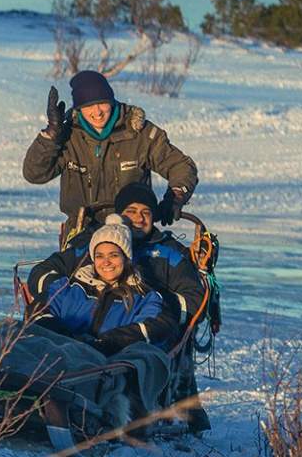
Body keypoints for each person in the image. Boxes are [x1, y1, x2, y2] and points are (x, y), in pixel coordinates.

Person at [25, 185, 212, 433]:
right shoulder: (86, 250)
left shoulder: (169, 255)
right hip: (81, 316)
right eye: (131, 210)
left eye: (146, 211)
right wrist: (67, 288)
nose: (138, 217)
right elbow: (40, 274)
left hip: (132, 327)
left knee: (129, 361)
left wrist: (156, 304)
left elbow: (192, 299)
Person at [24, 70, 199, 246]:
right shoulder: (69, 136)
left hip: (133, 232)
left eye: (102, 103)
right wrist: (51, 135)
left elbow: (181, 166)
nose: (97, 112)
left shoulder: (139, 133)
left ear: (111, 100)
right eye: (89, 105)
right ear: (79, 108)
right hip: (82, 233)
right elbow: (35, 174)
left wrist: (175, 197)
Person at [34, 216, 175, 354]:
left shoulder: (143, 297)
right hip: (59, 357)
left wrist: (109, 342)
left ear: (126, 259)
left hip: (109, 365)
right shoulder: (70, 288)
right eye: (99, 256)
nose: (106, 262)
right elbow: (38, 311)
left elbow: (157, 325)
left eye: (113, 255)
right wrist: (64, 337)